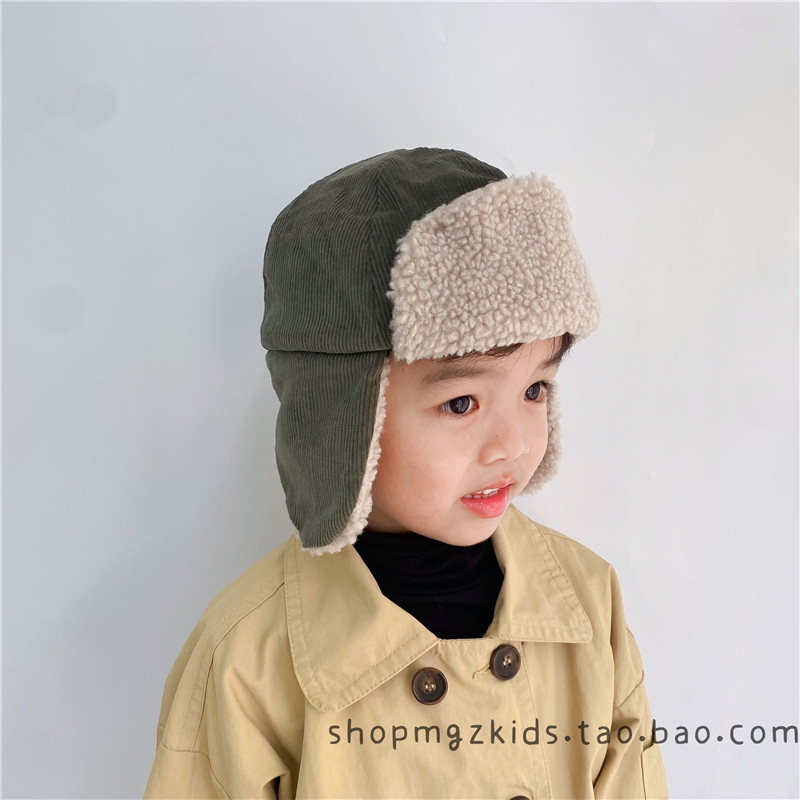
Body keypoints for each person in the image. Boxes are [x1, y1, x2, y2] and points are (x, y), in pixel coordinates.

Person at [144, 147, 669, 799]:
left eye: (535, 390)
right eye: (461, 403)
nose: (512, 445)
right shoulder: (247, 656)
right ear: (343, 414)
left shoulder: (589, 602)